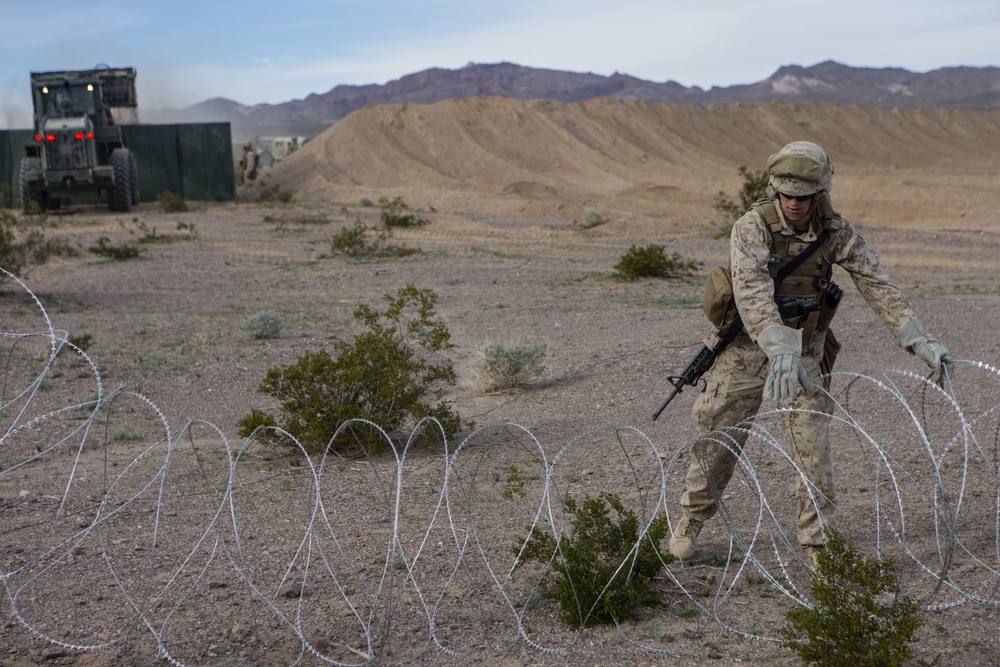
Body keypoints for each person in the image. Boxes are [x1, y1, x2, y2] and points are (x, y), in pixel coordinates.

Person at [667, 141, 953, 566]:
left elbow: (875, 282)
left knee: (813, 449)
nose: (794, 203)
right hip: (748, 349)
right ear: (774, 189)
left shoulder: (835, 230)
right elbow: (751, 291)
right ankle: (691, 519)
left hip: (805, 351)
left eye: (804, 196)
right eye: (786, 194)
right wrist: (777, 348)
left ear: (820, 192)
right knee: (718, 439)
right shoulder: (753, 226)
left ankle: (817, 542)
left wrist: (917, 337)